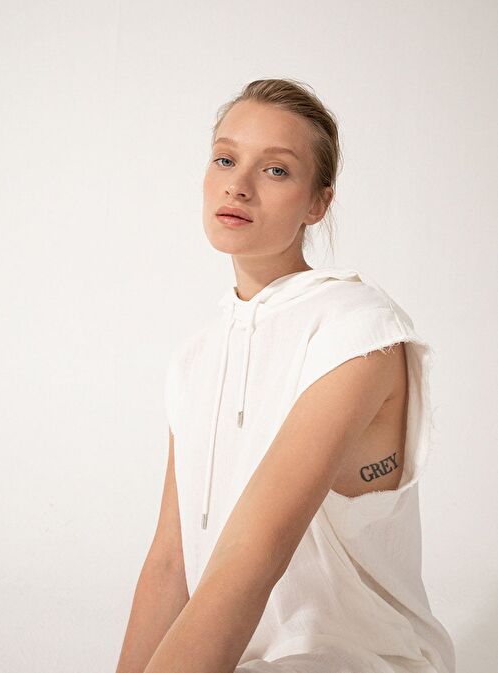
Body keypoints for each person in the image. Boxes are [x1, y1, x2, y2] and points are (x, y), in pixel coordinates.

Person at [116, 78, 456, 673]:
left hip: (358, 660)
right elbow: (171, 565)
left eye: (276, 170)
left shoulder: (358, 330)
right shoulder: (195, 358)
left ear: (318, 203)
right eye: (225, 159)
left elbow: (254, 555)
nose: (237, 185)